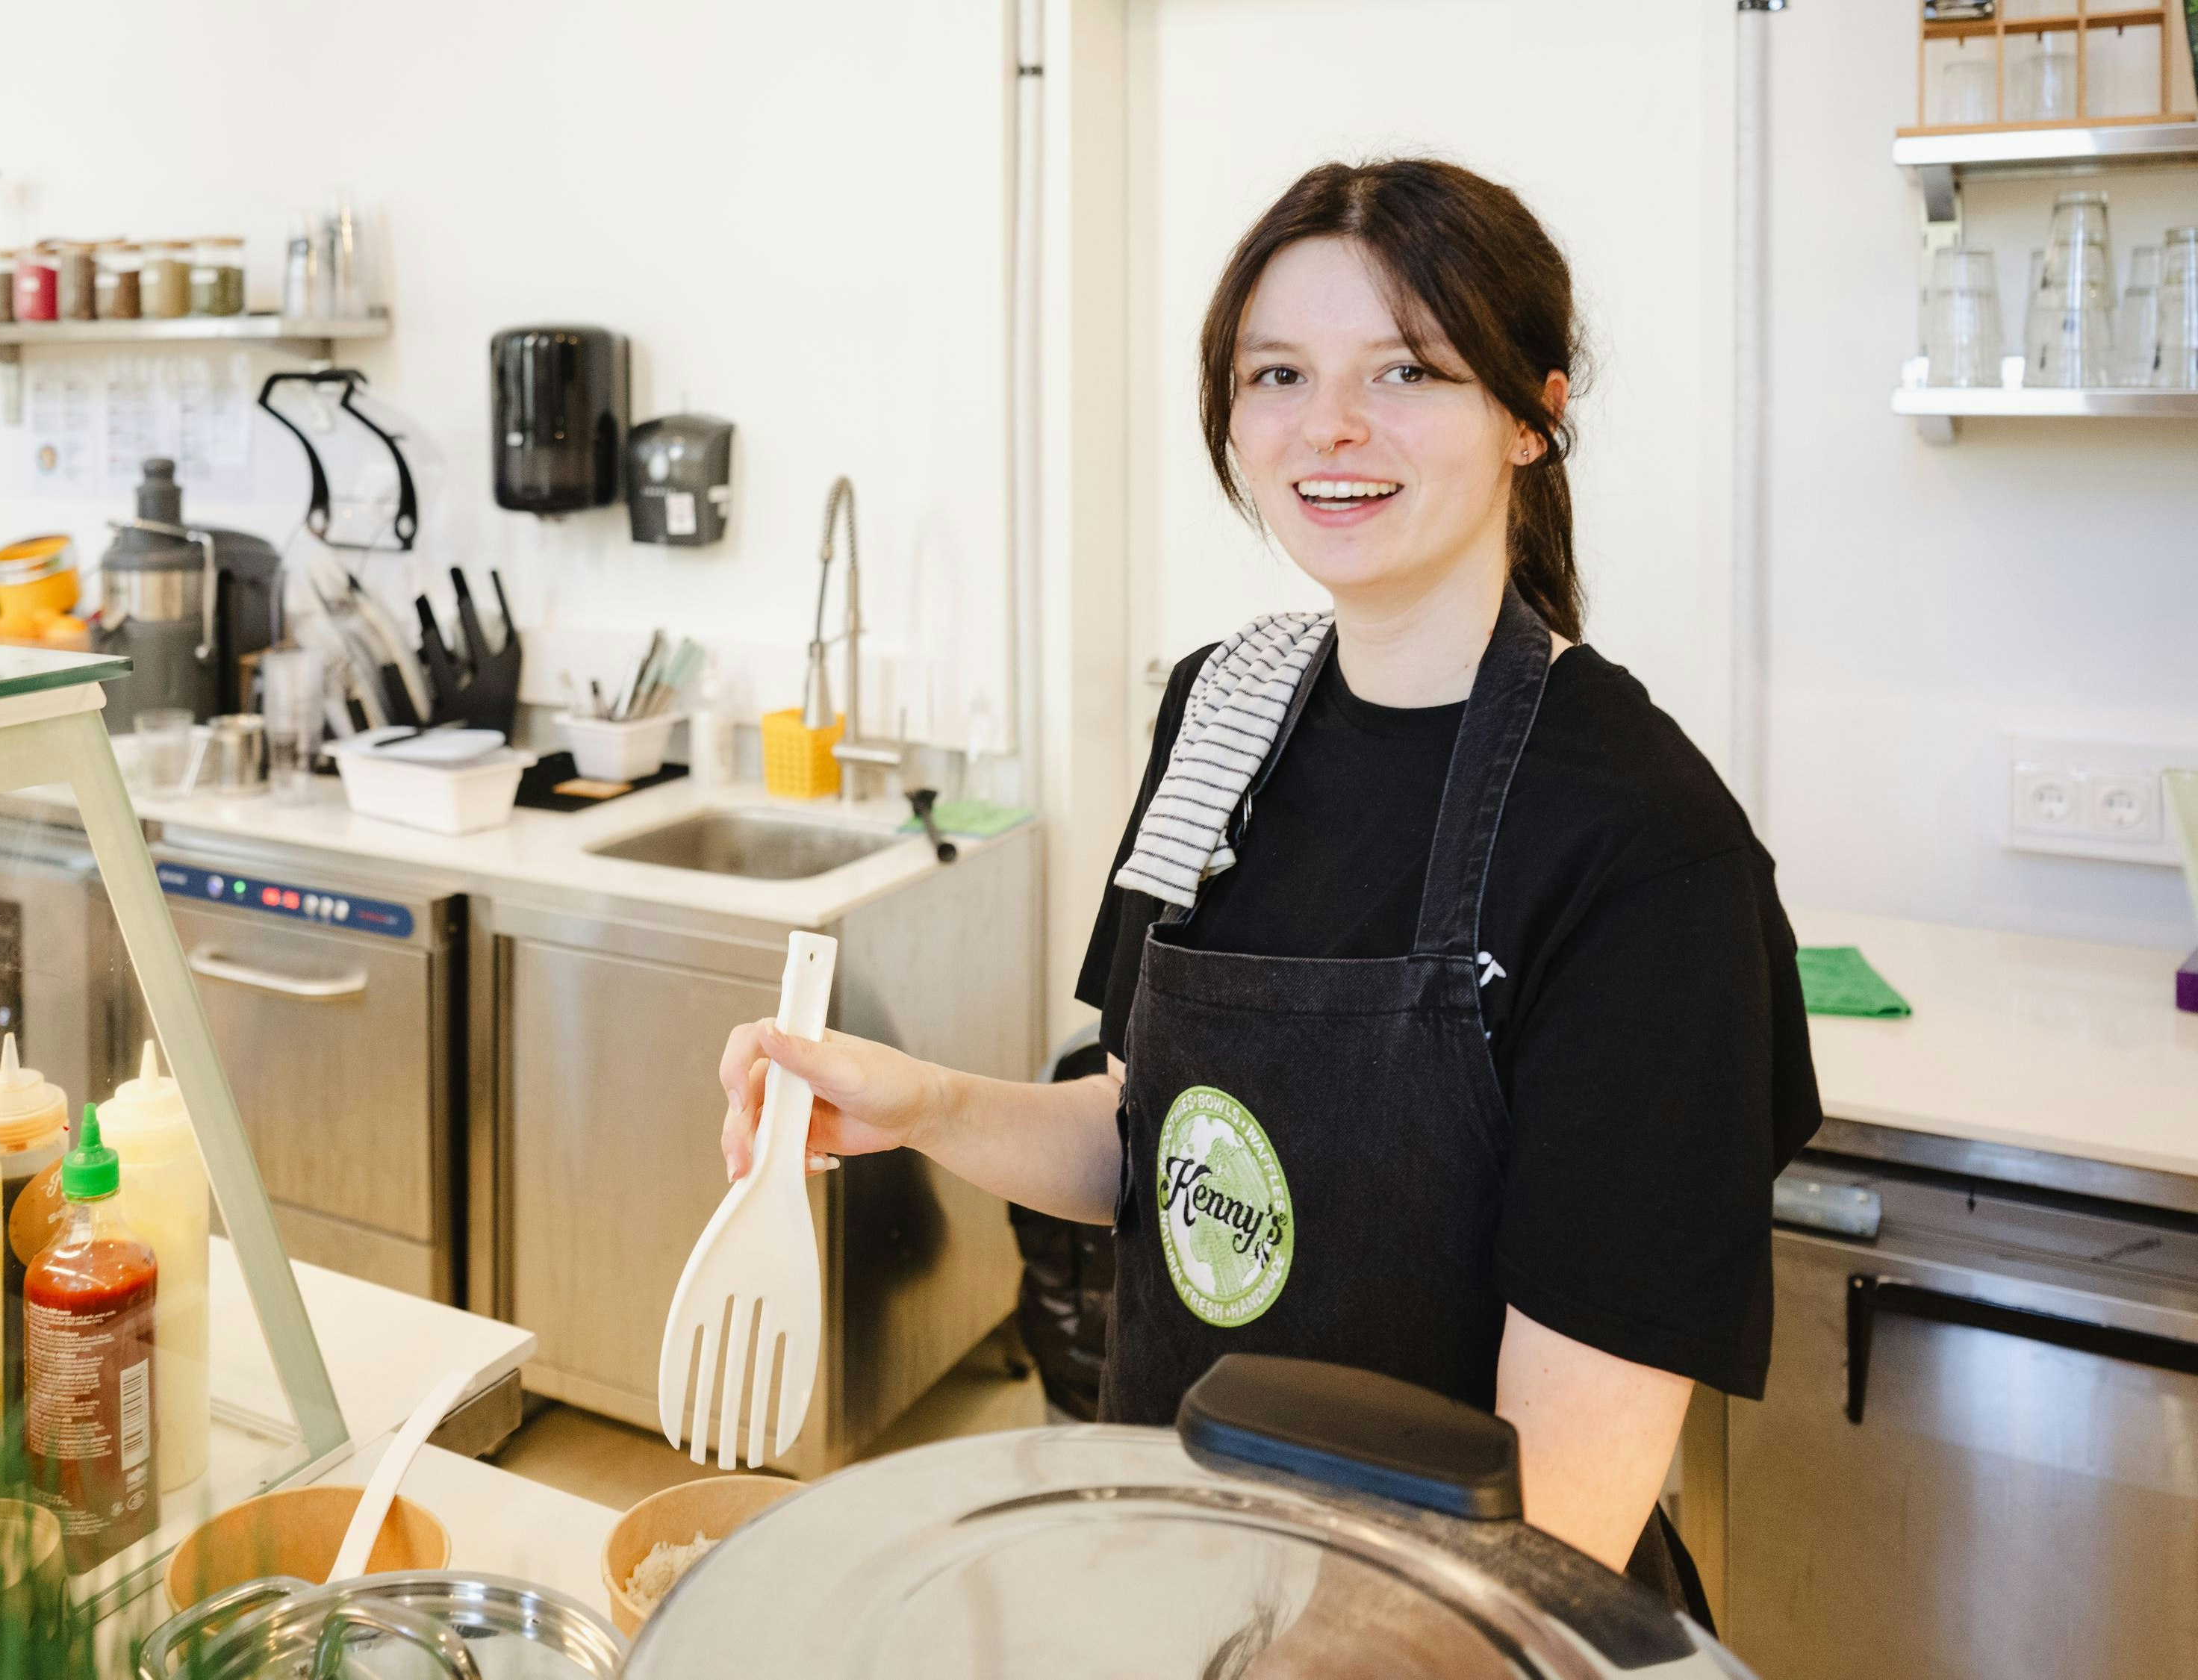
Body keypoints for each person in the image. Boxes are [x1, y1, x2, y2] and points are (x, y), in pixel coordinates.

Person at [715, 158, 1819, 1618]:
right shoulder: (1218, 712)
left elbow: (1564, 1506)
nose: (1328, 428)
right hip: (1181, 1566)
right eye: (1276, 373)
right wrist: (917, 1105)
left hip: (1446, 1629)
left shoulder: (1637, 851)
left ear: (1530, 417)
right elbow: (1143, 1139)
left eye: (1407, 371)